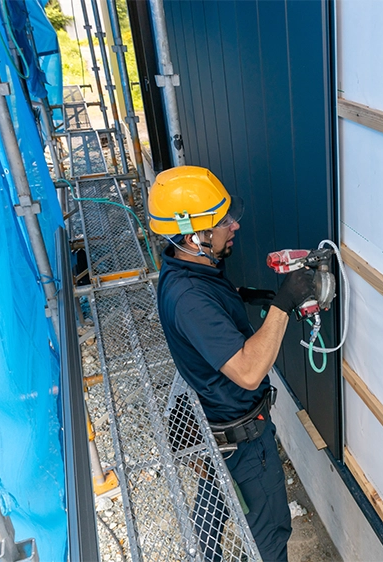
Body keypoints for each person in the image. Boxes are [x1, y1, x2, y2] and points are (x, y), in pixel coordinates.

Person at [148, 165, 315, 561]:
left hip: (211, 429)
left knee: (214, 511)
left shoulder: (185, 266)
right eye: (222, 222)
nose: (234, 226)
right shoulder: (190, 298)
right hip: (241, 441)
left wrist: (245, 295)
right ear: (195, 235)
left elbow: (211, 306)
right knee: (268, 537)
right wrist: (283, 303)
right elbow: (248, 370)